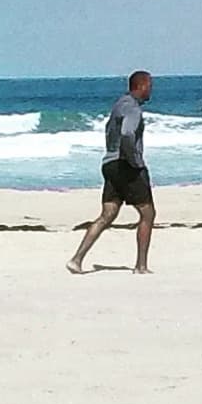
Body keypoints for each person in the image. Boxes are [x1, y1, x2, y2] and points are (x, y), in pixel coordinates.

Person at [70, 70, 156, 275]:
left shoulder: (118, 104)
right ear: (141, 86)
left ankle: (76, 259)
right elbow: (127, 133)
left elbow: (111, 132)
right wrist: (134, 161)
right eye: (150, 86)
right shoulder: (132, 108)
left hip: (109, 163)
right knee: (148, 213)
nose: (151, 89)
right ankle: (141, 266)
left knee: (107, 214)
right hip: (125, 165)